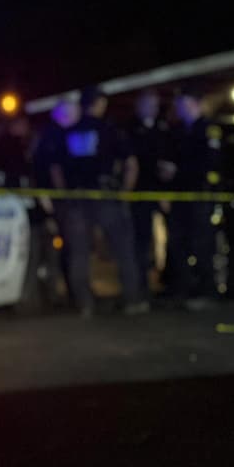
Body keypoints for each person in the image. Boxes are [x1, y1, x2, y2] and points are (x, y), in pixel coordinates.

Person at [34, 89, 148, 318]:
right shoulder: (110, 128)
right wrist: (125, 191)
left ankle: (84, 303)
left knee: (79, 253)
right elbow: (131, 163)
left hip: (76, 199)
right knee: (124, 249)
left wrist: (63, 193)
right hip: (106, 196)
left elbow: (55, 168)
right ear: (100, 104)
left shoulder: (67, 131)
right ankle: (132, 300)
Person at [166, 83, 222, 309]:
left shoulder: (208, 129)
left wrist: (180, 170)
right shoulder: (179, 131)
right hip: (181, 196)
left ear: (196, 104)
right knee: (179, 243)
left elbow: (212, 163)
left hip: (200, 195)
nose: (179, 108)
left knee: (202, 243)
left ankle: (207, 292)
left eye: (184, 104)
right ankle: (183, 290)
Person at [124, 88, 171, 299]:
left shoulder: (164, 128)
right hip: (140, 195)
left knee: (172, 240)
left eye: (155, 104)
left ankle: (169, 283)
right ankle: (141, 288)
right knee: (140, 242)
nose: (151, 108)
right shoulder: (130, 129)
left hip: (163, 194)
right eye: (147, 104)